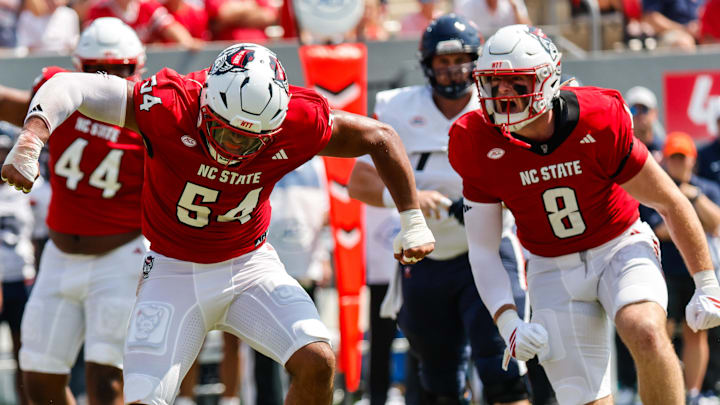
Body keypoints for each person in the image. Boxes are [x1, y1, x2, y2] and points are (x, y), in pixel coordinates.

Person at [2, 42, 435, 405]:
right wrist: (33, 136)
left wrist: (411, 217)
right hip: (173, 270)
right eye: (227, 132)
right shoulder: (168, 103)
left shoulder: (299, 120)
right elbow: (69, 84)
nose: (236, 146)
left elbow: (381, 137)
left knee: (318, 360)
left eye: (251, 138)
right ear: (205, 103)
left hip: (250, 266)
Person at [448, 24, 720, 405]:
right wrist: (508, 321)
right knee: (586, 399)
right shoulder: (474, 139)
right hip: (550, 266)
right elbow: (482, 247)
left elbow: (669, 201)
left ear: (547, 80)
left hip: (618, 245)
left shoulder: (597, 117)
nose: (503, 96)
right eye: (494, 84)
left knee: (645, 330)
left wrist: (706, 282)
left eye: (517, 84)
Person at [349, 15, 531, 405]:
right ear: (426, 64)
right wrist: (411, 200)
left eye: (462, 60)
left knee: (504, 372)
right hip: (425, 258)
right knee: (440, 385)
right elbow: (359, 182)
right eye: (443, 62)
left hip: (489, 248)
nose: (452, 72)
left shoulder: (496, 105)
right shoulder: (397, 108)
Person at [0, 17, 148, 405]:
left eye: (120, 71)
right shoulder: (59, 95)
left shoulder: (150, 116)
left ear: (139, 67)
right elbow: (10, 104)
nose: (107, 80)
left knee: (106, 384)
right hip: (59, 256)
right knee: (39, 383)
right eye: (97, 70)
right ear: (76, 67)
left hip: (121, 256)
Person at [640, 131, 720, 405]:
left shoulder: (706, 189)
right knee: (660, 333)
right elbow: (658, 229)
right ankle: (667, 392)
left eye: (682, 159)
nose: (677, 164)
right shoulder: (655, 187)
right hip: (665, 272)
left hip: (698, 273)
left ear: (692, 161)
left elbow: (716, 223)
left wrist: (692, 198)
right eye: (672, 159)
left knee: (696, 332)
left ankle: (694, 393)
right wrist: (678, 206)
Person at [0, 132, 35, 405]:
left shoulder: (33, 186)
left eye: (4, 151)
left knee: (24, 354)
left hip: (20, 279)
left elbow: (44, 234)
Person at [624, 86, 665, 160]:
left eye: (644, 109)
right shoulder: (621, 149)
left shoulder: (665, 149)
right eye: (634, 110)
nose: (639, 114)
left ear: (655, 113)